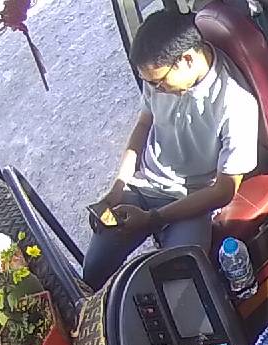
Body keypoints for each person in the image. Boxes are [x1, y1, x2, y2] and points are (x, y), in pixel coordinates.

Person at [83, 9, 259, 288]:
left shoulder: (237, 103)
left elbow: (224, 190)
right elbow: (143, 125)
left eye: (158, 82)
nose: (155, 89)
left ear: (186, 59)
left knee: (180, 284)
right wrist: (117, 190)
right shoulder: (158, 77)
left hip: (192, 201)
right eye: (149, 83)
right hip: (144, 186)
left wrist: (153, 219)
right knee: (92, 271)